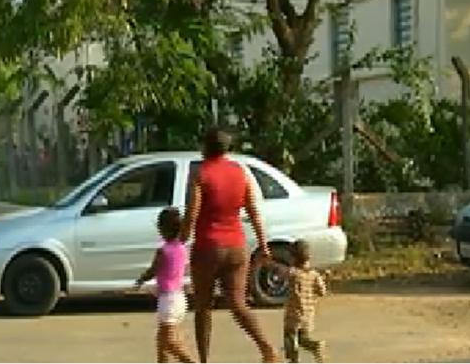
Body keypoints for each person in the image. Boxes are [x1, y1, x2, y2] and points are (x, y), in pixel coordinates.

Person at [180, 128, 279, 364]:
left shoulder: (201, 173)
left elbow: (193, 214)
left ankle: (204, 360)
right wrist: (263, 243)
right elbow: (253, 210)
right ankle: (267, 348)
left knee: (203, 306)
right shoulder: (239, 172)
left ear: (205, 148)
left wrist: (180, 238)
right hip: (236, 246)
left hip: (208, 246)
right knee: (238, 304)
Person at [134, 207, 197, 364]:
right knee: (161, 341)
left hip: (169, 300)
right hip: (178, 298)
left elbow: (153, 270)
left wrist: (141, 280)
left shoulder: (163, 250)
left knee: (169, 342)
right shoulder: (182, 248)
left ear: (161, 228)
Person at [277, 240, 327, 364]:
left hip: (293, 314)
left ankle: (293, 360)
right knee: (302, 338)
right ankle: (315, 346)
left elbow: (280, 276)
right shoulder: (315, 275)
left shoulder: (293, 273)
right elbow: (322, 291)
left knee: (289, 337)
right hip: (308, 313)